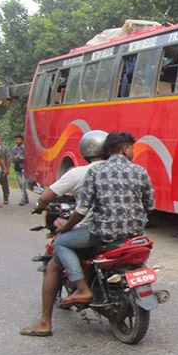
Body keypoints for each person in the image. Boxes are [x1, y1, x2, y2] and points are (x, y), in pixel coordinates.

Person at [51, 131, 154, 309]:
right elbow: (150, 205)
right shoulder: (140, 171)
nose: (133, 153)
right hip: (134, 235)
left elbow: (82, 209)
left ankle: (82, 288)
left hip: (104, 234)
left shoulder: (96, 171)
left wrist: (67, 227)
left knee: (61, 243)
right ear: (125, 149)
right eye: (132, 149)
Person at [20, 130, 108, 337]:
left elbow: (53, 197)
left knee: (58, 251)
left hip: (94, 230)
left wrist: (41, 206)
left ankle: (46, 322)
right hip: (126, 230)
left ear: (86, 151)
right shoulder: (119, 170)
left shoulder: (80, 173)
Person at [10, 134, 29, 205]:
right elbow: (11, 158)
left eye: (19, 139)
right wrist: (14, 158)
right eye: (16, 139)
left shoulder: (25, 148)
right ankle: (26, 198)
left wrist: (19, 157)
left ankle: (23, 199)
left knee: (23, 183)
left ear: (22, 140)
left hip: (24, 167)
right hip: (17, 167)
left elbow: (27, 157)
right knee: (20, 184)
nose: (18, 141)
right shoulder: (13, 148)